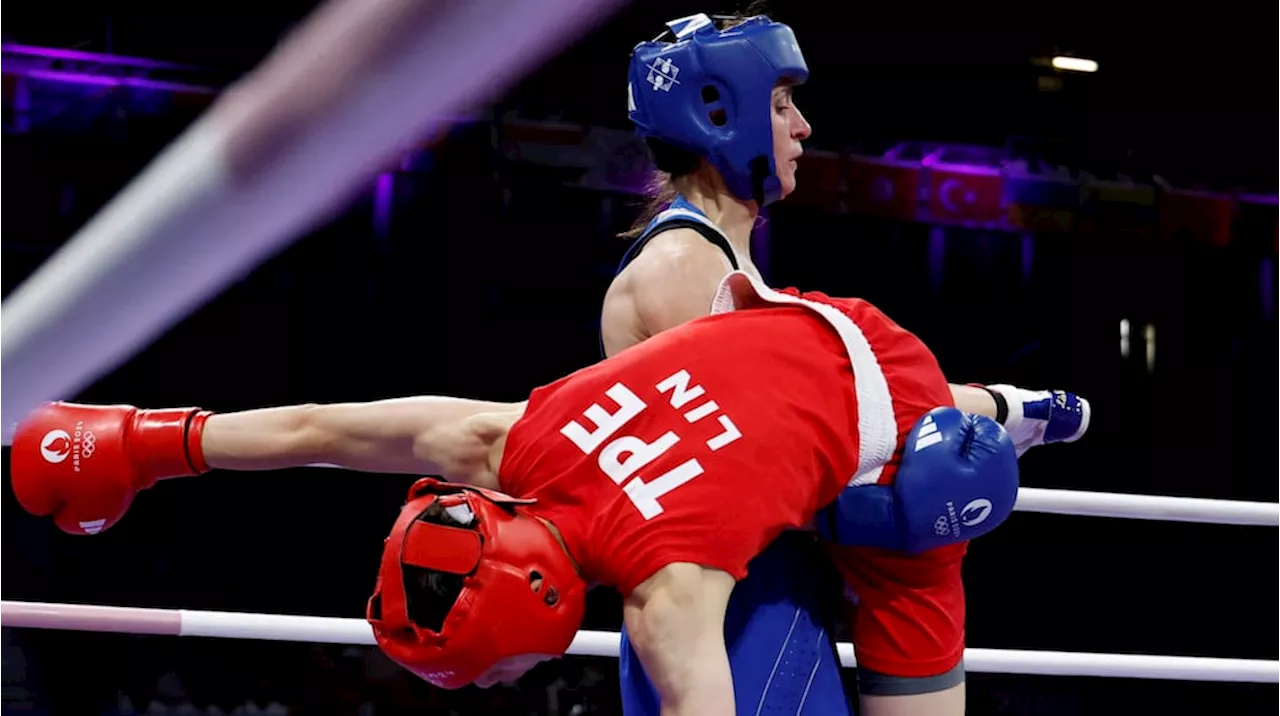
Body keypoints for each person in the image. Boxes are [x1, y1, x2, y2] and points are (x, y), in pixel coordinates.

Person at [11, 270, 1026, 716]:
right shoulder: (507, 441)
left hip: (903, 446)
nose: (489, 690)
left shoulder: (670, 595)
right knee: (893, 413)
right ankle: (1030, 402)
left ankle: (1004, 410)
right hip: (813, 314)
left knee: (911, 570)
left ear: (536, 617)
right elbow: (319, 427)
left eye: (486, 673)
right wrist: (139, 441)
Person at [602, 12, 1090, 715]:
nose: (801, 127)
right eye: (778, 105)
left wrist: (1006, 407)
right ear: (719, 114)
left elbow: (844, 402)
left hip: (758, 597)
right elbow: (756, 468)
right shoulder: (685, 268)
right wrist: (896, 506)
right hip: (725, 609)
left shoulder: (715, 259)